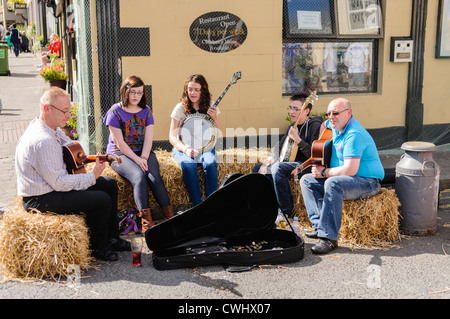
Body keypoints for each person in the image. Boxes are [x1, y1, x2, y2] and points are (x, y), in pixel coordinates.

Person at [15, 87, 130, 262]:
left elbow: (70, 148)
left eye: (70, 110)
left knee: (109, 184)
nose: (69, 115)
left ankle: (112, 238)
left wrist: (94, 159)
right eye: (65, 111)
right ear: (47, 108)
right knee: (100, 199)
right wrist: (92, 176)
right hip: (41, 198)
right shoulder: (43, 141)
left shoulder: (50, 127)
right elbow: (60, 183)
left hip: (50, 187)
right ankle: (98, 247)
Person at [300, 98, 384, 254]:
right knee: (307, 180)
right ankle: (320, 227)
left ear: (349, 112)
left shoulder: (354, 134)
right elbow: (324, 124)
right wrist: (323, 134)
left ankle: (329, 238)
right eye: (329, 113)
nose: (331, 117)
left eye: (336, 113)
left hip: (368, 182)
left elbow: (350, 170)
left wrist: (324, 172)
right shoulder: (336, 127)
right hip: (349, 179)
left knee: (332, 183)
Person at [104, 75, 174, 233]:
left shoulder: (146, 111)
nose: (136, 96)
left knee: (154, 178)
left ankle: (170, 218)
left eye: (140, 93)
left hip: (143, 152)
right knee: (139, 177)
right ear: (125, 92)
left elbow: (149, 139)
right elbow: (120, 143)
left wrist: (143, 158)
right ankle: (147, 224)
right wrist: (136, 160)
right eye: (133, 92)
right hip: (119, 154)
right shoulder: (115, 112)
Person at [253, 93, 323, 218]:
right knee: (258, 169)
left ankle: (285, 212)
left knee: (277, 168)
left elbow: (313, 155)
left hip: (305, 166)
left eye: (296, 109)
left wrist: (297, 139)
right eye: (290, 108)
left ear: (306, 110)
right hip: (289, 164)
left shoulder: (315, 125)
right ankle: (269, 207)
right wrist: (265, 164)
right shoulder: (292, 126)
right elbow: (278, 149)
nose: (292, 112)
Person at [169, 74, 222, 206]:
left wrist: (215, 118)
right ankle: (197, 205)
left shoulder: (211, 106)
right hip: (183, 147)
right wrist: (185, 149)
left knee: (210, 164)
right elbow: (172, 136)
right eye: (190, 89)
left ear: (202, 90)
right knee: (189, 166)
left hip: (205, 147)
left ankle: (212, 204)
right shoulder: (180, 108)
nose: (192, 92)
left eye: (196, 89)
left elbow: (219, 135)